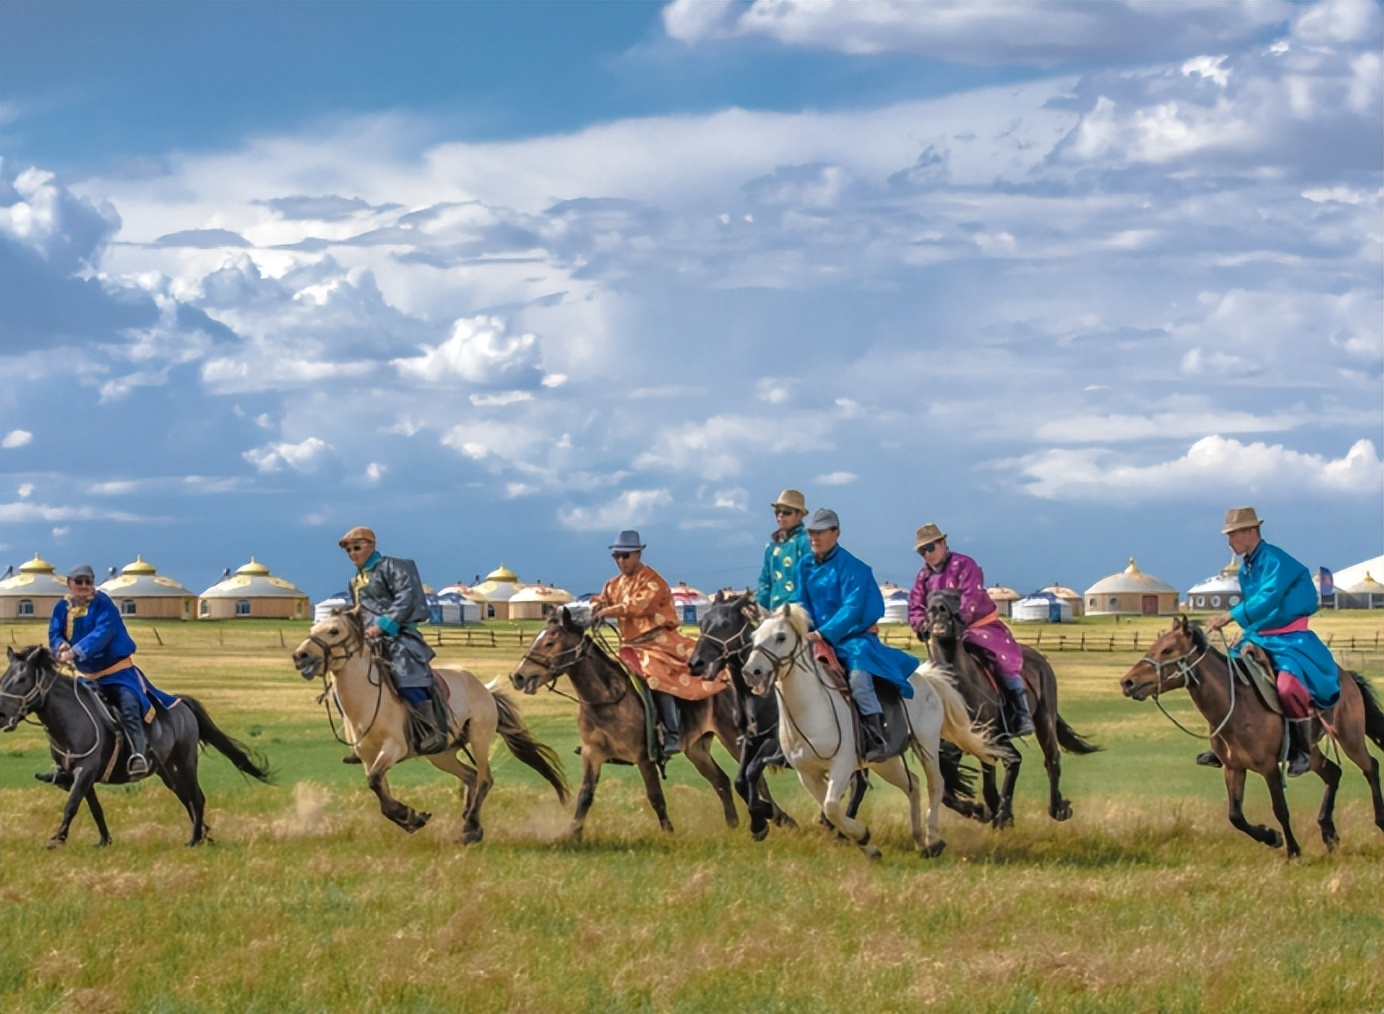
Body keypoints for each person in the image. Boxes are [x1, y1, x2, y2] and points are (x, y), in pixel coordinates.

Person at [1204, 507, 1339, 776]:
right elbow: (1259, 608)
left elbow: (1269, 598)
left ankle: (1301, 749)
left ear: (1251, 532)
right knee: (1228, 676)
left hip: (1291, 638)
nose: (1229, 542)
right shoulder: (1246, 570)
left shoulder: (1276, 561)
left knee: (1288, 687)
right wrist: (1246, 631)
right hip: (1261, 635)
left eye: (1233, 535)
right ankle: (1228, 743)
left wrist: (1231, 616)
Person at [798, 508, 921, 763]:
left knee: (858, 679)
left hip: (853, 639)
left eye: (820, 532)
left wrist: (823, 633)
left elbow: (852, 610)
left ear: (836, 533)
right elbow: (800, 601)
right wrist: (799, 626)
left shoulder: (856, 569)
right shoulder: (804, 565)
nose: (814, 538)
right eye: (811, 532)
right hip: (814, 638)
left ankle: (876, 734)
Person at [591, 530, 726, 757]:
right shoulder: (613, 584)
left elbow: (640, 606)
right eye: (616, 557)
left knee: (655, 675)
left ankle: (672, 734)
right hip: (630, 646)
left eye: (625, 556)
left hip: (660, 642)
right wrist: (596, 606)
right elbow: (601, 598)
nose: (621, 561)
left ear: (638, 554)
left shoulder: (653, 582)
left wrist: (606, 611)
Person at [44, 564, 177, 781]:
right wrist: (59, 647)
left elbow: (102, 633)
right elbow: (55, 631)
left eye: (88, 581)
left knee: (129, 704)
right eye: (79, 582)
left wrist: (75, 651)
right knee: (70, 710)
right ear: (69, 584)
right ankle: (65, 764)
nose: (84, 586)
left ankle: (138, 754)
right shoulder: (62, 607)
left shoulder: (104, 604)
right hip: (87, 676)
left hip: (117, 673)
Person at [906, 524, 1034, 736]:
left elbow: (970, 597)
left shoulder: (965, 565)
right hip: (943, 634)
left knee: (1001, 660)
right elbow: (916, 604)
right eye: (922, 551)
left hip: (979, 627)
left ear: (943, 543)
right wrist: (920, 624)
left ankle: (1021, 712)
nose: (927, 555)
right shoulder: (923, 577)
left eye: (930, 548)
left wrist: (960, 620)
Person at [340, 526, 448, 755]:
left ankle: (430, 728)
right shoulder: (355, 580)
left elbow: (406, 598)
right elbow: (359, 609)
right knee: (346, 678)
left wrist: (382, 626)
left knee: (405, 671)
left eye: (356, 548)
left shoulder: (396, 567)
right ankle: (359, 737)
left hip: (399, 634)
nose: (352, 554)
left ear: (371, 545)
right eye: (348, 550)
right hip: (368, 639)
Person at [757, 488, 810, 610]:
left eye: (786, 512)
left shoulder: (805, 542)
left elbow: (810, 579)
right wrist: (758, 607)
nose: (780, 516)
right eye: (777, 512)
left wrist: (791, 604)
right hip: (774, 611)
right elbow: (765, 582)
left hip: (799, 610)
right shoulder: (772, 547)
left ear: (799, 515)